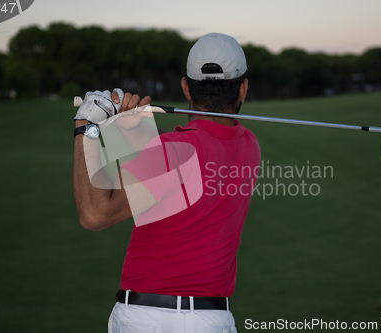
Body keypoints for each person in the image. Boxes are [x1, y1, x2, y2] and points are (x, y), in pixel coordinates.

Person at [72, 32, 261, 333]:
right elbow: (183, 161)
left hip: (145, 319)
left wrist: (87, 127)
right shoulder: (250, 147)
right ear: (243, 89)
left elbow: (95, 214)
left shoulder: (173, 152)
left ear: (186, 87)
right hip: (212, 321)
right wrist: (136, 129)